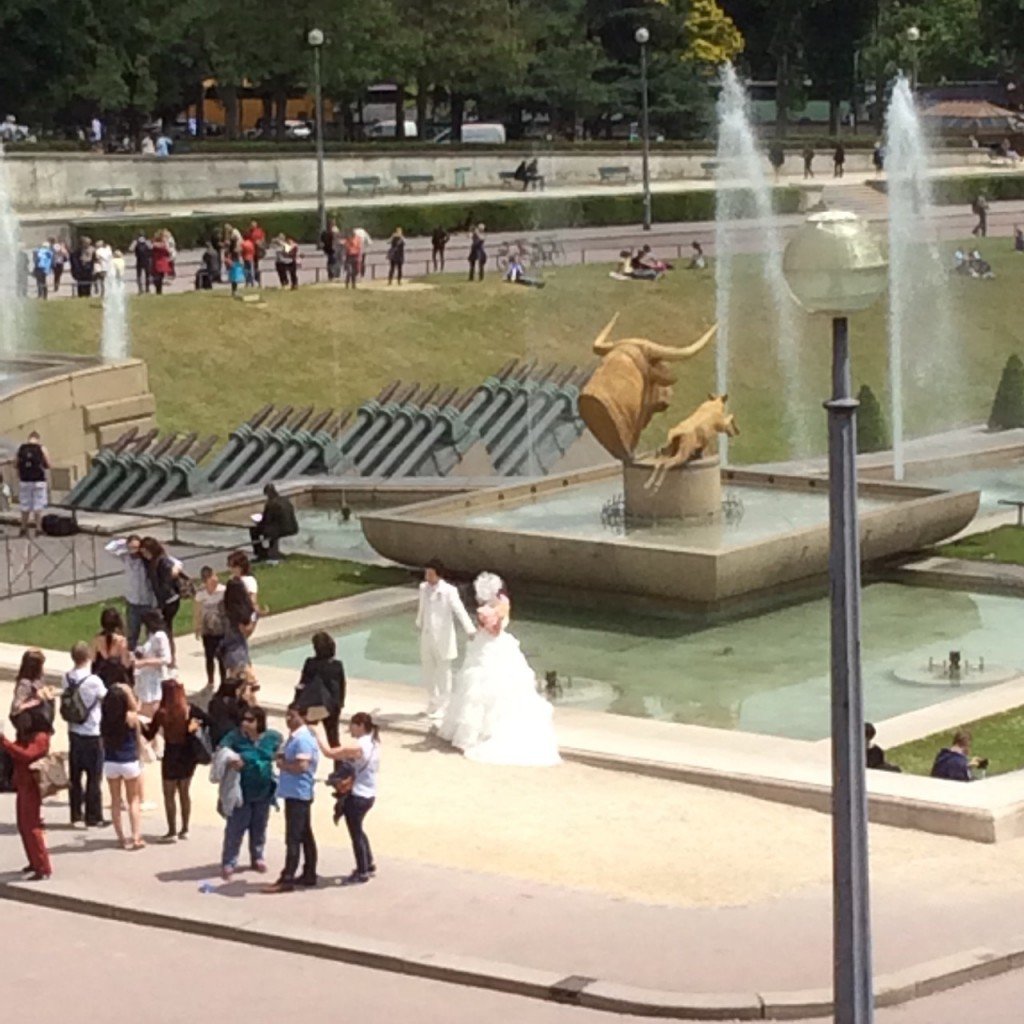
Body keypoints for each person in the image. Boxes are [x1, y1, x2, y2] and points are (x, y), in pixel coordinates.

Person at [439, 571, 560, 766]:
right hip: (486, 644)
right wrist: (484, 620)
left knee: (488, 686)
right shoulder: (497, 604)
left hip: (493, 644)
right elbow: (488, 628)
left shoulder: (500, 605)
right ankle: (472, 733)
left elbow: (496, 629)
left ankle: (480, 733)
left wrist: (488, 620)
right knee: (476, 685)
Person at [315, 711, 380, 885]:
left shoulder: (358, 747)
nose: (349, 728)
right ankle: (369, 863)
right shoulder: (374, 743)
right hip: (370, 793)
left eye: (352, 725)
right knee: (359, 829)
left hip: (359, 795)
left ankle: (362, 870)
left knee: (355, 833)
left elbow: (329, 752)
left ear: (360, 726)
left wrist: (317, 734)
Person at [219, 705, 281, 880]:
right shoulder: (234, 737)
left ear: (259, 722)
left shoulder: (272, 737)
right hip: (241, 792)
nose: (245, 723)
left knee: (259, 827)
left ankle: (257, 857)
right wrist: (231, 760)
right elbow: (221, 750)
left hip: (264, 791)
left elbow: (280, 752)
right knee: (235, 828)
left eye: (250, 720)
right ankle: (229, 862)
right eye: (243, 719)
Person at [142, 679, 208, 841]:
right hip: (188, 754)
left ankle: (171, 830)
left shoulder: (162, 713)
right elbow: (209, 721)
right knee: (185, 792)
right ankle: (185, 828)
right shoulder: (190, 710)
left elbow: (150, 734)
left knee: (169, 794)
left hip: (171, 752)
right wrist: (196, 726)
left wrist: (140, 723)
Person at [267, 704, 319, 892]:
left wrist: (283, 765)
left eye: (292, 716)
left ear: (303, 717)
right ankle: (309, 873)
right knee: (305, 835)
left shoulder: (303, 739)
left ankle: (287, 878)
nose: (288, 720)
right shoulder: (296, 737)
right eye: (287, 716)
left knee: (293, 837)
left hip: (298, 792)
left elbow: (302, 766)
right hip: (296, 792)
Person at [417, 558, 476, 720]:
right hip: (427, 635)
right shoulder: (423, 588)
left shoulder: (449, 591)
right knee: (428, 671)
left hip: (443, 637)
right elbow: (422, 608)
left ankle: (444, 705)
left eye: (430, 573)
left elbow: (459, 610)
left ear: (438, 574)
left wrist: (470, 629)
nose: (427, 576)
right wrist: (419, 622)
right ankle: (433, 700)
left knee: (444, 673)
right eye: (426, 573)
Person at [1, 706, 53, 879]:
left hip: (32, 786)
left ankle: (43, 867)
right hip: (23, 784)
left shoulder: (40, 737)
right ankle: (34, 861)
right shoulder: (28, 735)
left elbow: (27, 755)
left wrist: (5, 743)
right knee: (23, 825)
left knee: (32, 827)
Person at [63, 641, 108, 828]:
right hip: (92, 732)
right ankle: (93, 815)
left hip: (74, 732)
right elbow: (105, 697)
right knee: (93, 776)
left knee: (75, 775)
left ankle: (75, 814)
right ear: (88, 657)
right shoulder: (94, 681)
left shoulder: (66, 678)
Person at [101, 682, 145, 849]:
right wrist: (127, 691)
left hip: (111, 761)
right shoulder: (131, 717)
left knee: (115, 800)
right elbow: (136, 708)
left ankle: (121, 837)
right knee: (133, 799)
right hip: (128, 760)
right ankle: (135, 836)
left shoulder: (105, 718)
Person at [294, 631, 346, 747]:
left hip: (311, 703)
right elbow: (342, 686)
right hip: (331, 705)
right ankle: (339, 763)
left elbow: (303, 684)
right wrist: (340, 704)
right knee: (334, 740)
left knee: (303, 735)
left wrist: (296, 703)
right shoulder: (337, 665)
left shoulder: (310, 663)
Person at [104, 535, 155, 649]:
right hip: (133, 603)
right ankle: (130, 659)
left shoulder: (147, 559)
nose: (134, 551)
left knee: (152, 635)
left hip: (147, 602)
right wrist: (124, 543)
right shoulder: (126, 557)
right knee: (132, 635)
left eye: (136, 548)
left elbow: (169, 560)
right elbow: (109, 548)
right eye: (131, 548)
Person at [139, 537, 184, 659]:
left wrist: (161, 605)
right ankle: (168, 655)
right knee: (163, 628)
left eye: (146, 552)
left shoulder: (162, 561)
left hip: (170, 600)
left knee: (165, 628)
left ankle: (170, 656)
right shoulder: (150, 561)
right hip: (162, 600)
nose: (144, 555)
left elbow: (166, 583)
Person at [134, 609, 172, 722]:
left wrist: (145, 662)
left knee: (153, 713)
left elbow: (167, 659)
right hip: (145, 677)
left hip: (156, 677)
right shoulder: (149, 635)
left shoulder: (160, 636)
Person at [194, 566, 226, 689]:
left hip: (221, 628)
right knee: (209, 655)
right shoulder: (201, 594)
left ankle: (224, 681)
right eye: (211, 578)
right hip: (207, 630)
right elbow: (197, 611)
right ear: (205, 580)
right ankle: (211, 680)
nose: (215, 580)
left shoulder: (223, 591)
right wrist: (197, 627)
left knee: (222, 657)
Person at [220, 568, 257, 675]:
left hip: (228, 647)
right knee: (247, 676)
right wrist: (253, 620)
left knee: (233, 677)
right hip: (238, 648)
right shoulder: (241, 612)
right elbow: (247, 630)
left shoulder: (227, 608)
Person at [250, 483, 298, 563]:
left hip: (279, 529)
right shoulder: (285, 500)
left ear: (268, 494)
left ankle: (260, 553)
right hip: (292, 527)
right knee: (271, 530)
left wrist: (258, 523)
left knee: (254, 531)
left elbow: (266, 520)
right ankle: (272, 551)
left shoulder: (271, 503)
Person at [16, 429, 49, 537]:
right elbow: (48, 464)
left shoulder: (21, 448)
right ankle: (38, 529)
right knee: (38, 506)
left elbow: (15, 464)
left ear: (29, 438)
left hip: (24, 481)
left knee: (25, 505)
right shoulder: (41, 448)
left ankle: (23, 528)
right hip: (38, 481)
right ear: (38, 439)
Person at [90, 606, 134, 686]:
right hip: (117, 680)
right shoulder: (121, 640)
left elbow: (93, 660)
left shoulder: (97, 639)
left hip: (101, 678)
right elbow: (125, 664)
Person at [10, 648, 49, 719]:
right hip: (29, 722)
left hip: (39, 718)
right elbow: (15, 708)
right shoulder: (25, 684)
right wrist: (34, 702)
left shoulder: (39, 679)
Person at [244, 219, 266, 284]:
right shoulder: (248, 232)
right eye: (251, 225)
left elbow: (263, 240)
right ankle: (248, 280)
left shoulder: (259, 231)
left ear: (256, 225)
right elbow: (244, 240)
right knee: (248, 265)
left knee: (256, 265)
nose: (252, 226)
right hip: (249, 251)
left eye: (254, 225)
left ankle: (257, 279)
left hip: (257, 250)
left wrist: (260, 243)